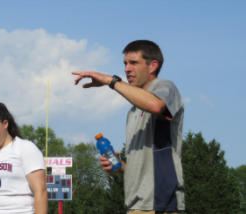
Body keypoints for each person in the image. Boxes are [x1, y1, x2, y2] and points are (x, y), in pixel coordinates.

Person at [72, 40, 185, 214]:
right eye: (125, 63)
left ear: (153, 65)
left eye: (134, 62)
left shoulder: (165, 87)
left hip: (160, 203)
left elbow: (155, 106)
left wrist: (110, 80)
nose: (127, 69)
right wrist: (119, 166)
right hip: (135, 205)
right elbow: (142, 165)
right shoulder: (133, 111)